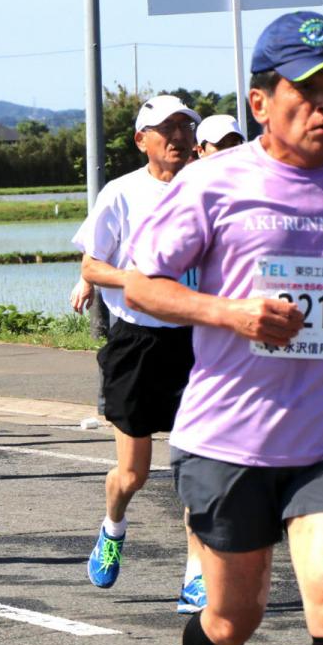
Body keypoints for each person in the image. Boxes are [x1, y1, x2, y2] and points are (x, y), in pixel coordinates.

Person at [122, 11, 323, 645]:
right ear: (260, 103)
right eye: (308, 91)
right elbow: (140, 285)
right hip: (230, 435)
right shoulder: (213, 183)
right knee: (232, 615)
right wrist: (233, 313)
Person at [72, 94, 207, 614]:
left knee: (198, 468)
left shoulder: (209, 190)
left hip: (198, 340)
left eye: (183, 127)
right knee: (134, 474)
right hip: (137, 342)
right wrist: (141, 281)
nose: (176, 137)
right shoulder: (121, 193)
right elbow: (92, 267)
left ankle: (196, 574)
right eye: (164, 129)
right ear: (141, 140)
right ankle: (113, 525)